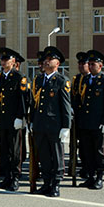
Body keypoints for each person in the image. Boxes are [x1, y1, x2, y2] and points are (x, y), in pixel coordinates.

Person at [28, 46, 71, 197]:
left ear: (57, 63)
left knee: (57, 155)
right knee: (44, 156)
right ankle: (46, 183)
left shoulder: (61, 81)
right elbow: (35, 103)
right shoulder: (39, 80)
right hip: (40, 125)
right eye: (45, 60)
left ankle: (56, 184)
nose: (46, 62)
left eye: (49, 59)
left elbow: (65, 106)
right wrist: (32, 121)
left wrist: (66, 127)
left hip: (55, 126)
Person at [0, 47, 30, 191]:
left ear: (13, 61)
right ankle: (7, 177)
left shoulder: (19, 77)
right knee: (5, 149)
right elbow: (1, 97)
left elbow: (23, 99)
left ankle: (15, 178)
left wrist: (20, 117)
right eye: (2, 59)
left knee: (15, 151)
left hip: (15, 120)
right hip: (3, 119)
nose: (3, 62)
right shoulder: (2, 76)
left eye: (6, 59)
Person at [77, 50, 104, 189]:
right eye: (89, 64)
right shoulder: (86, 80)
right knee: (87, 151)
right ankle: (91, 176)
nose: (90, 66)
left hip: (98, 123)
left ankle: (99, 178)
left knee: (99, 152)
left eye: (93, 64)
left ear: (100, 66)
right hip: (86, 123)